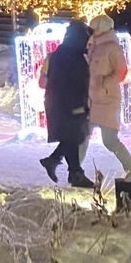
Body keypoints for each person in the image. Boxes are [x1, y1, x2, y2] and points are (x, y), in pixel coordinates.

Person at [80, 15, 131, 181]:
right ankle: (76, 173)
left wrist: (104, 85)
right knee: (82, 136)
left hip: (107, 101)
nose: (91, 31)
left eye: (94, 28)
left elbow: (121, 71)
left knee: (110, 141)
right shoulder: (93, 46)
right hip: (92, 101)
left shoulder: (113, 48)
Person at [39, 20, 94, 188]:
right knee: (75, 136)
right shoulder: (72, 57)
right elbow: (73, 82)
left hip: (59, 102)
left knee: (72, 137)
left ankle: (65, 168)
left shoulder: (61, 53)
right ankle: (72, 172)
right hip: (68, 103)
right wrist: (78, 104)